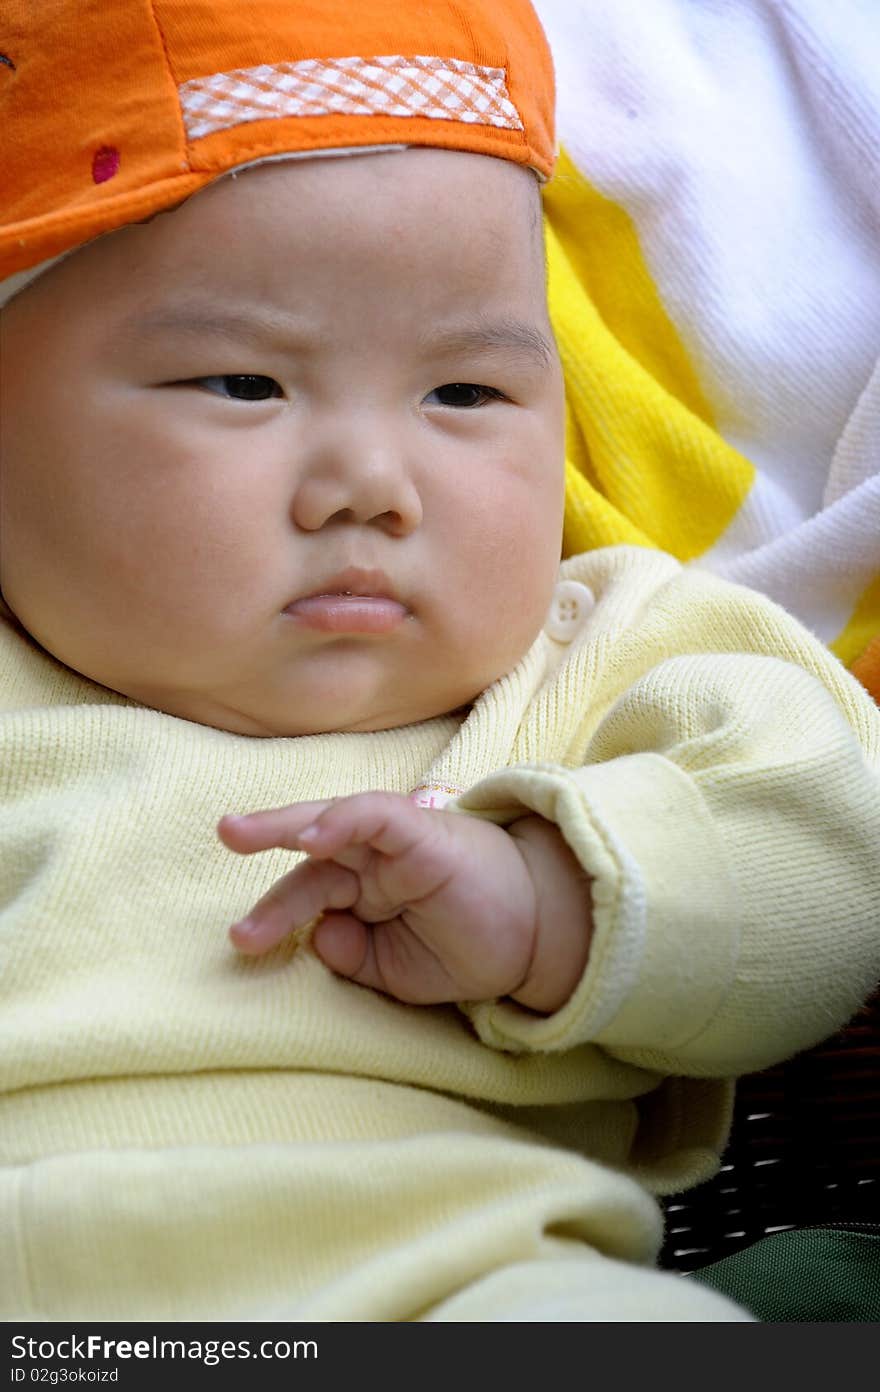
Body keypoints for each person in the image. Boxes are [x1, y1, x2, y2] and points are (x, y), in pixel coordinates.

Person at [1, 0, 878, 1323]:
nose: (370, 486)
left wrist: (554, 901)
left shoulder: (596, 657)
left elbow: (834, 854)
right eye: (243, 385)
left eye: (464, 395)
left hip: (462, 1279)